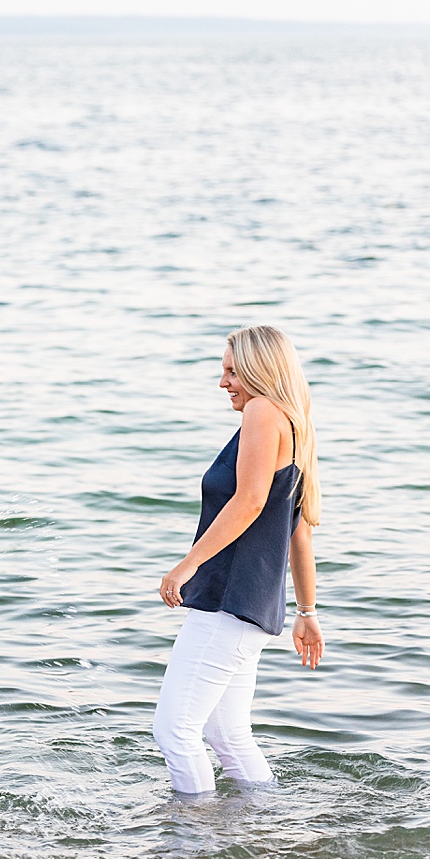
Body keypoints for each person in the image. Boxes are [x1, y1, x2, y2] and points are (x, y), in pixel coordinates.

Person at [153, 325, 324, 795]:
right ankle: (256, 829)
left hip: (230, 602)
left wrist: (187, 564)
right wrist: (307, 613)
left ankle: (194, 843)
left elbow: (249, 501)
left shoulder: (262, 412)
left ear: (259, 370)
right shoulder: (294, 424)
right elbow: (300, 533)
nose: (224, 381)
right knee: (226, 735)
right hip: (252, 606)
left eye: (232, 370)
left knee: (175, 731)